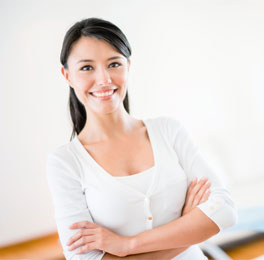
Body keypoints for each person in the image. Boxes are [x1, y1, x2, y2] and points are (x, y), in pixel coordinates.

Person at [46, 17, 237, 260]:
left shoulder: (168, 131)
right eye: (86, 67)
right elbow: (85, 257)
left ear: (128, 66)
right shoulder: (65, 162)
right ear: (67, 76)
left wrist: (126, 246)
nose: (104, 79)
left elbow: (225, 210)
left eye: (114, 64)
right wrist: (187, 227)